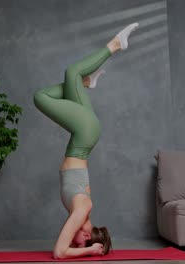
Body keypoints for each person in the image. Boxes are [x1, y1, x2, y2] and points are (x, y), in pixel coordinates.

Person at [33, 22, 140, 259]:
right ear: (89, 234)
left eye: (79, 245)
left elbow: (63, 248)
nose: (76, 241)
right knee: (59, 82)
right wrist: (90, 251)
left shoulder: (81, 210)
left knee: (58, 85)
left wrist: (87, 249)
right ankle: (114, 45)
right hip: (84, 133)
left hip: (84, 135)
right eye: (82, 242)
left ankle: (86, 84)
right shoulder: (82, 210)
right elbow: (59, 253)